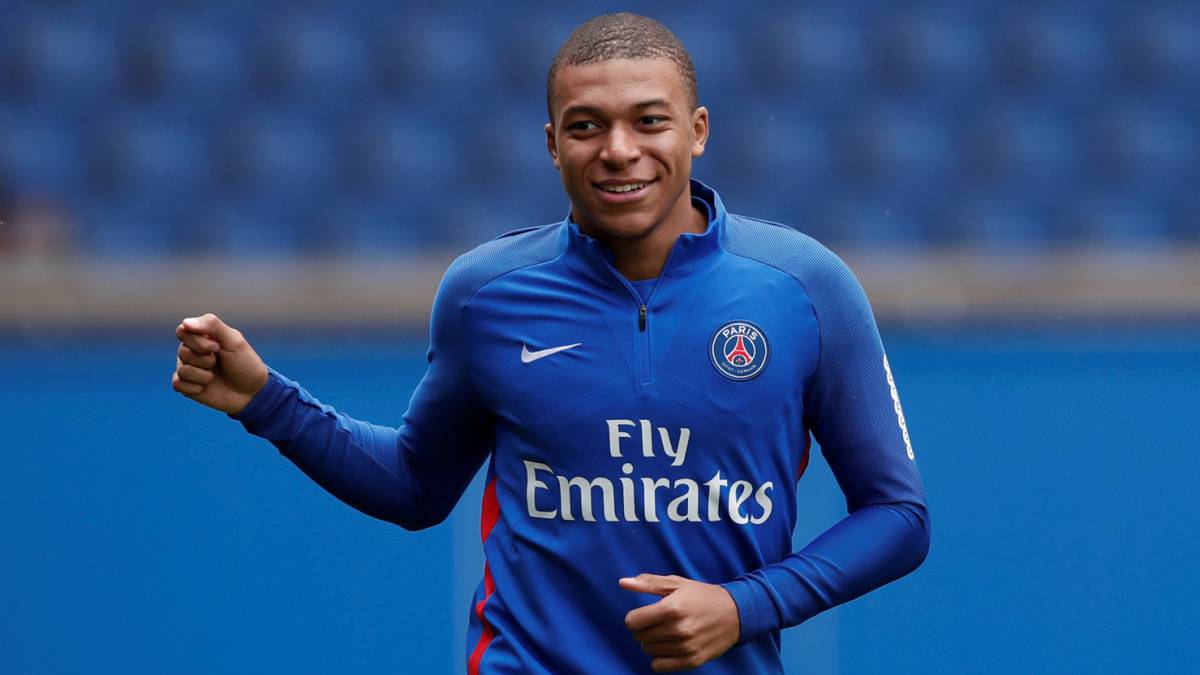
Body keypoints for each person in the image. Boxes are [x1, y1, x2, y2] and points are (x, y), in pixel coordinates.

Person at [172, 12, 930, 674]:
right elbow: (415, 486)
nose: (619, 150)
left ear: (698, 131)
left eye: (649, 121)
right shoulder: (485, 294)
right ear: (552, 143)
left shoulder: (806, 287)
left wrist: (745, 606)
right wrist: (266, 400)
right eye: (586, 125)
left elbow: (897, 514)